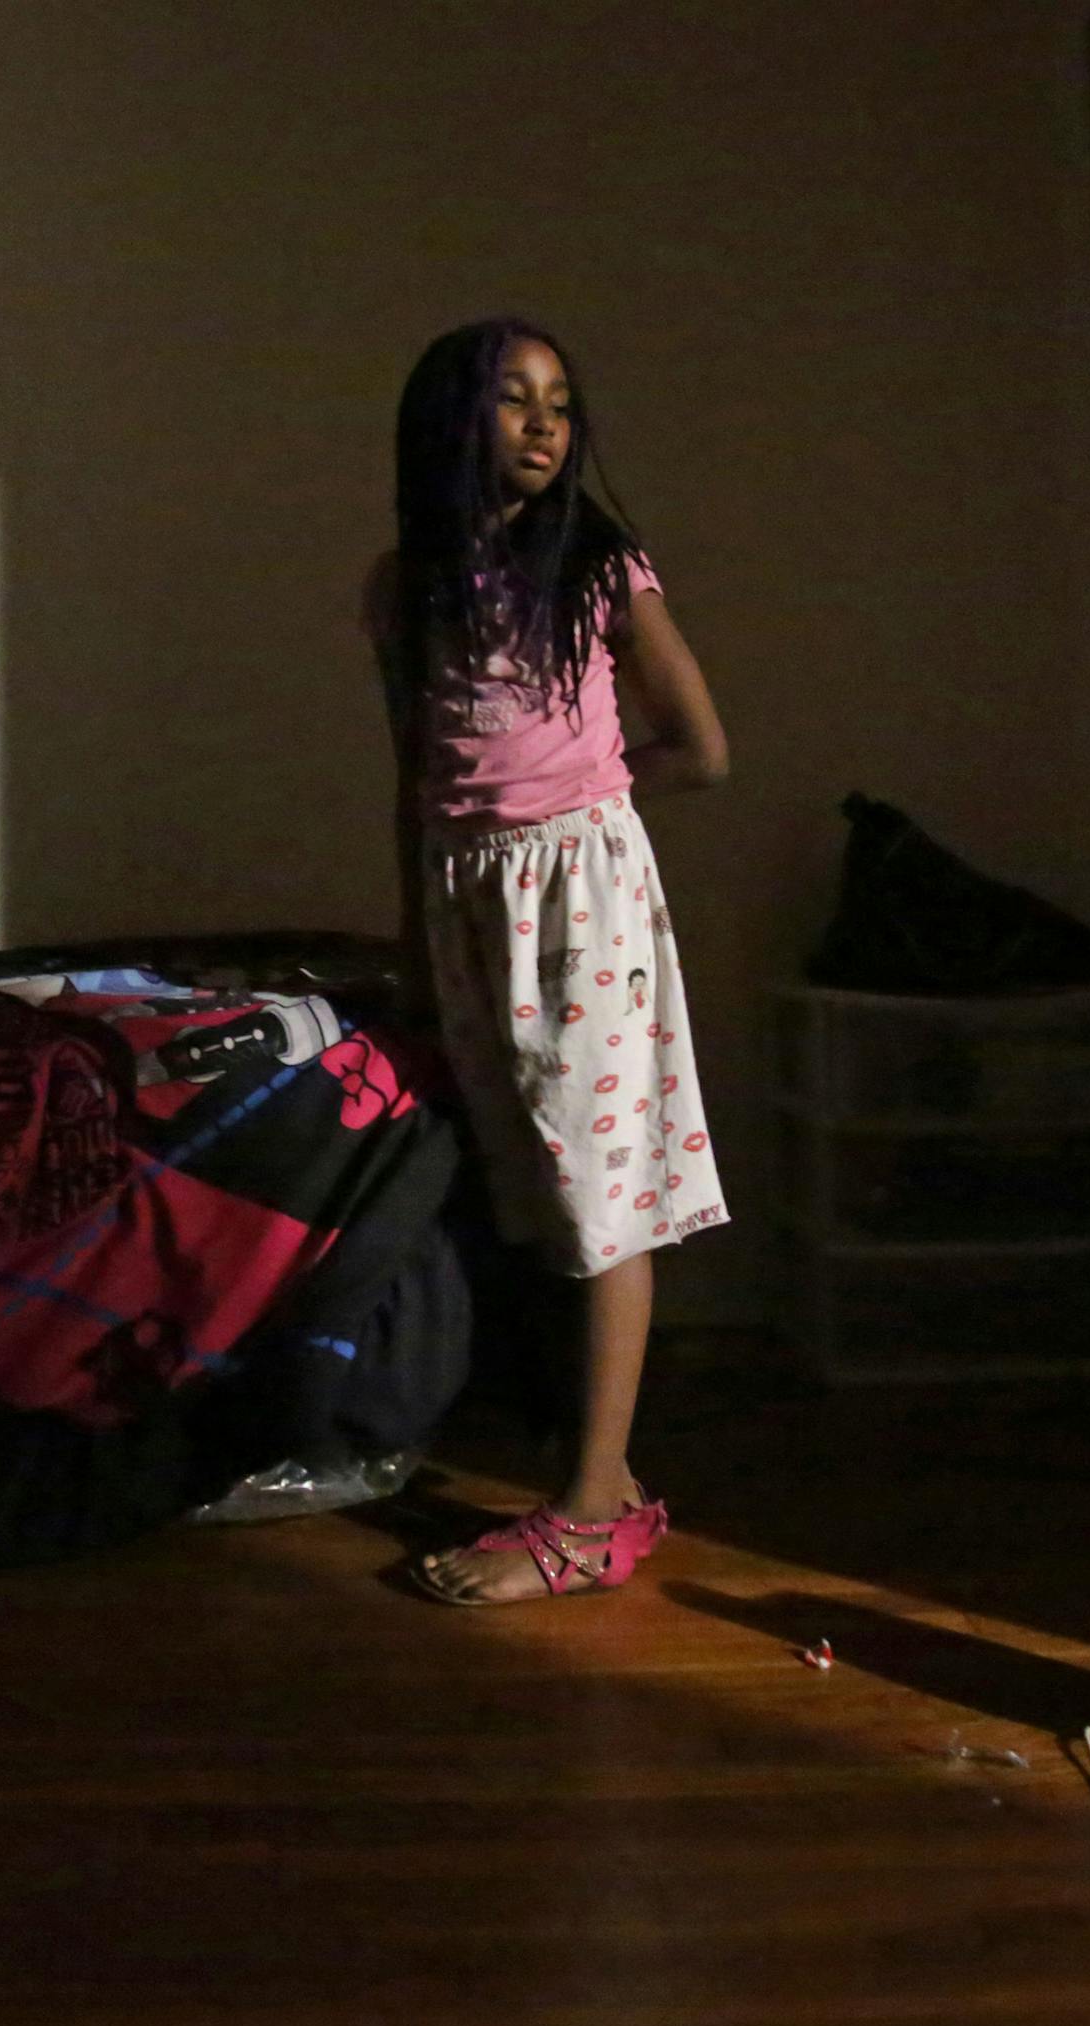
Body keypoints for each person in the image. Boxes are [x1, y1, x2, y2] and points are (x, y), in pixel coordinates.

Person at [362, 317, 730, 1605]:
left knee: (601, 1190)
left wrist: (585, 823)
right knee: (533, 1178)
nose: (543, 423)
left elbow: (701, 742)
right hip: (467, 900)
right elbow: (416, 782)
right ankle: (606, 1480)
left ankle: (588, 1512)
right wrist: (422, 942)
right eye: (512, 400)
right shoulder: (402, 588)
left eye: (561, 402)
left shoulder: (594, 562)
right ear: (445, 424)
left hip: (579, 894)